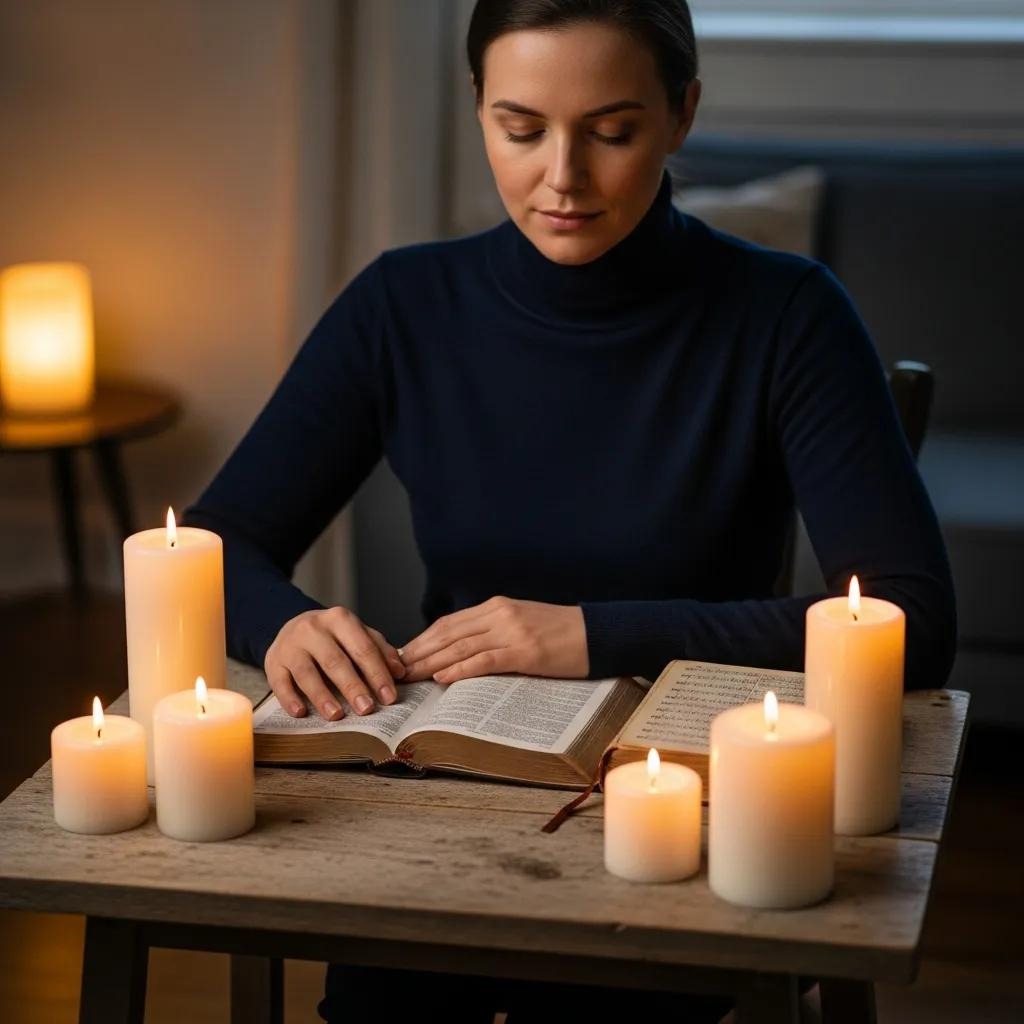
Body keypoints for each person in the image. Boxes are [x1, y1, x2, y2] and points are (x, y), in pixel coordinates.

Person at [184, 1, 956, 1020]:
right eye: (521, 129)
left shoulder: (787, 315)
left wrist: (588, 634)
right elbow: (215, 545)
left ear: (681, 114)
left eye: (612, 132)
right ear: (478, 109)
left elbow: (913, 618)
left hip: (689, 811)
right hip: (449, 799)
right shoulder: (403, 304)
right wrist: (285, 621)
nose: (562, 177)